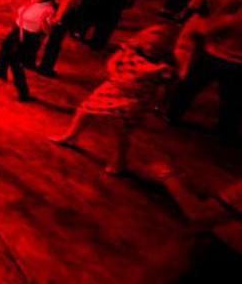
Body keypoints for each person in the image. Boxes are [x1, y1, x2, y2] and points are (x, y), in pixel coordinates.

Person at [49, 25, 176, 175]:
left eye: (156, 47)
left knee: (121, 130)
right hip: (113, 89)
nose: (151, 48)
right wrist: (114, 74)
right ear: (142, 39)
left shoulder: (163, 67)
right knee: (85, 111)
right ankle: (71, 136)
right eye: (149, 44)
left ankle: (119, 161)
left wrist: (159, 101)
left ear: (165, 48)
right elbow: (112, 61)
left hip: (135, 99)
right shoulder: (129, 50)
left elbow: (166, 85)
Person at [166, 0, 242, 141]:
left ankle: (173, 114)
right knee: (230, 97)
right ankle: (226, 130)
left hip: (221, 53)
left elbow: (224, 22)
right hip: (229, 56)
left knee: (192, 85)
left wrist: (204, 28)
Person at [36, 0, 99, 77]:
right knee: (54, 41)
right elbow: (68, 1)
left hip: (51, 4)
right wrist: (59, 17)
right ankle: (45, 67)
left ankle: (28, 59)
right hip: (64, 11)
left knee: (40, 33)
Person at [0, 0, 55, 102]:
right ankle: (0, 75)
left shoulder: (49, 9)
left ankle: (23, 92)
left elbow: (48, 31)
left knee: (15, 62)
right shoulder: (33, 2)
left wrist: (44, 22)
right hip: (17, 31)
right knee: (4, 51)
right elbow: (21, 14)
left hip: (29, 37)